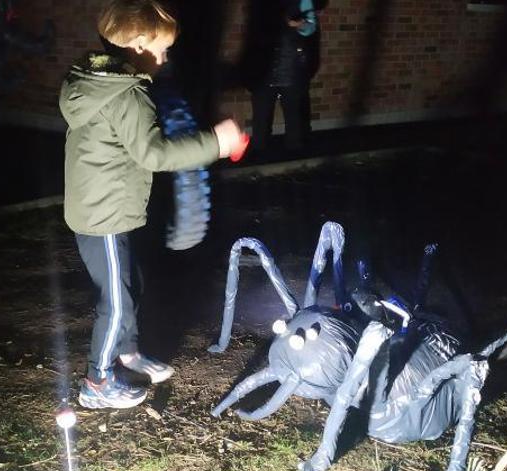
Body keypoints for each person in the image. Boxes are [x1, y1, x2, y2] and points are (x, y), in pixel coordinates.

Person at [59, 0, 243, 409]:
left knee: (129, 285)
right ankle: (97, 381)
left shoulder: (98, 82)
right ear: (139, 44)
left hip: (104, 206)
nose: (164, 56)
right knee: (117, 298)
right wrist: (217, 142)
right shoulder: (129, 94)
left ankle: (127, 352)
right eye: (161, 48)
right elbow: (154, 155)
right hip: (102, 214)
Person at [246, 0, 319, 154]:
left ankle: (295, 159)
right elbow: (253, 31)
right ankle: (259, 157)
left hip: (291, 68)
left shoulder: (303, 2)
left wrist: (296, 24)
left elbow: (311, 27)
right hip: (264, 69)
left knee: (294, 119)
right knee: (260, 120)